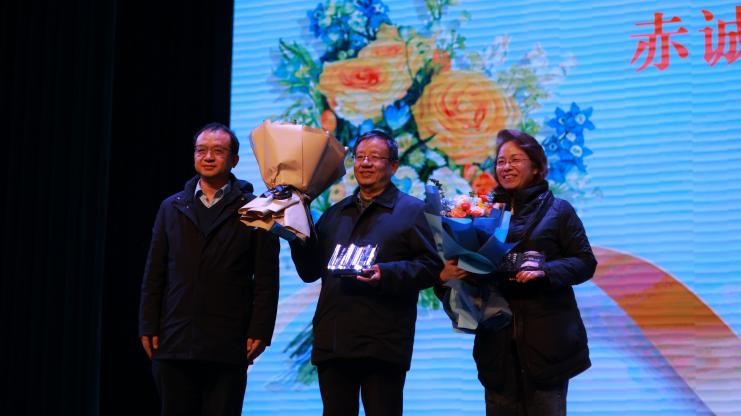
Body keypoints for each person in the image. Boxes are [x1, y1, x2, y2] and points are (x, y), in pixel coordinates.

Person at [439, 128, 597, 416]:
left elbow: (585, 262)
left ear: (536, 167)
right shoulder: (481, 214)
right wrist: (452, 273)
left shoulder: (559, 211)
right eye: (501, 161)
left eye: (515, 160)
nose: (506, 167)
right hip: (496, 344)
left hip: (546, 344)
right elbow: (468, 270)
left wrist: (544, 270)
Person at [289, 129, 443, 416]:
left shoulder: (413, 211)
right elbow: (310, 272)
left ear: (393, 166)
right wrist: (295, 235)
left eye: (375, 157)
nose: (365, 163)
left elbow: (432, 266)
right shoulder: (335, 213)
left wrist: (386, 273)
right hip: (334, 343)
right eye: (360, 157)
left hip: (382, 343)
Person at [138, 122, 280, 416]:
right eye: (201, 150)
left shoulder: (255, 209)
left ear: (234, 160)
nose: (208, 157)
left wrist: (260, 330)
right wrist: (148, 324)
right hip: (175, 339)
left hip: (228, 341)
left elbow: (266, 279)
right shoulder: (171, 207)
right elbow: (154, 274)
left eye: (218, 151)